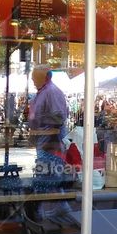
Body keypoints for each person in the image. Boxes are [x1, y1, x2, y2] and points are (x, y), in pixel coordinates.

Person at [30, 67, 70, 197]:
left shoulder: (51, 92)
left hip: (51, 144)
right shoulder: (44, 92)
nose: (32, 80)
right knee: (46, 178)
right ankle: (50, 208)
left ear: (46, 77)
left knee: (51, 179)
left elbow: (59, 117)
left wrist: (39, 118)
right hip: (44, 143)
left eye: (35, 77)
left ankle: (54, 208)